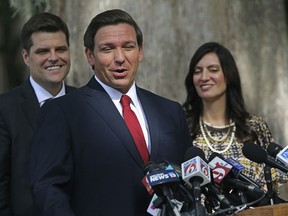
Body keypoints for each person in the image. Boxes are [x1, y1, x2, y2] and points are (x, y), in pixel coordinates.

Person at [30, 9, 192, 216]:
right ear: (90, 56)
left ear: (140, 52)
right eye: (107, 49)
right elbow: (48, 188)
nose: (120, 58)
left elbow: (188, 182)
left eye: (128, 47)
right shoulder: (62, 112)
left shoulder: (170, 111)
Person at [183, 42, 287, 203]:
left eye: (213, 70)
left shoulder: (254, 126)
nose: (204, 77)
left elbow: (271, 182)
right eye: (197, 71)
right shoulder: (183, 125)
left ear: (229, 75)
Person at [0, 12, 75, 216]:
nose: (53, 57)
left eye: (60, 49)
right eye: (43, 51)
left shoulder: (87, 102)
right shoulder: (5, 109)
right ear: (26, 56)